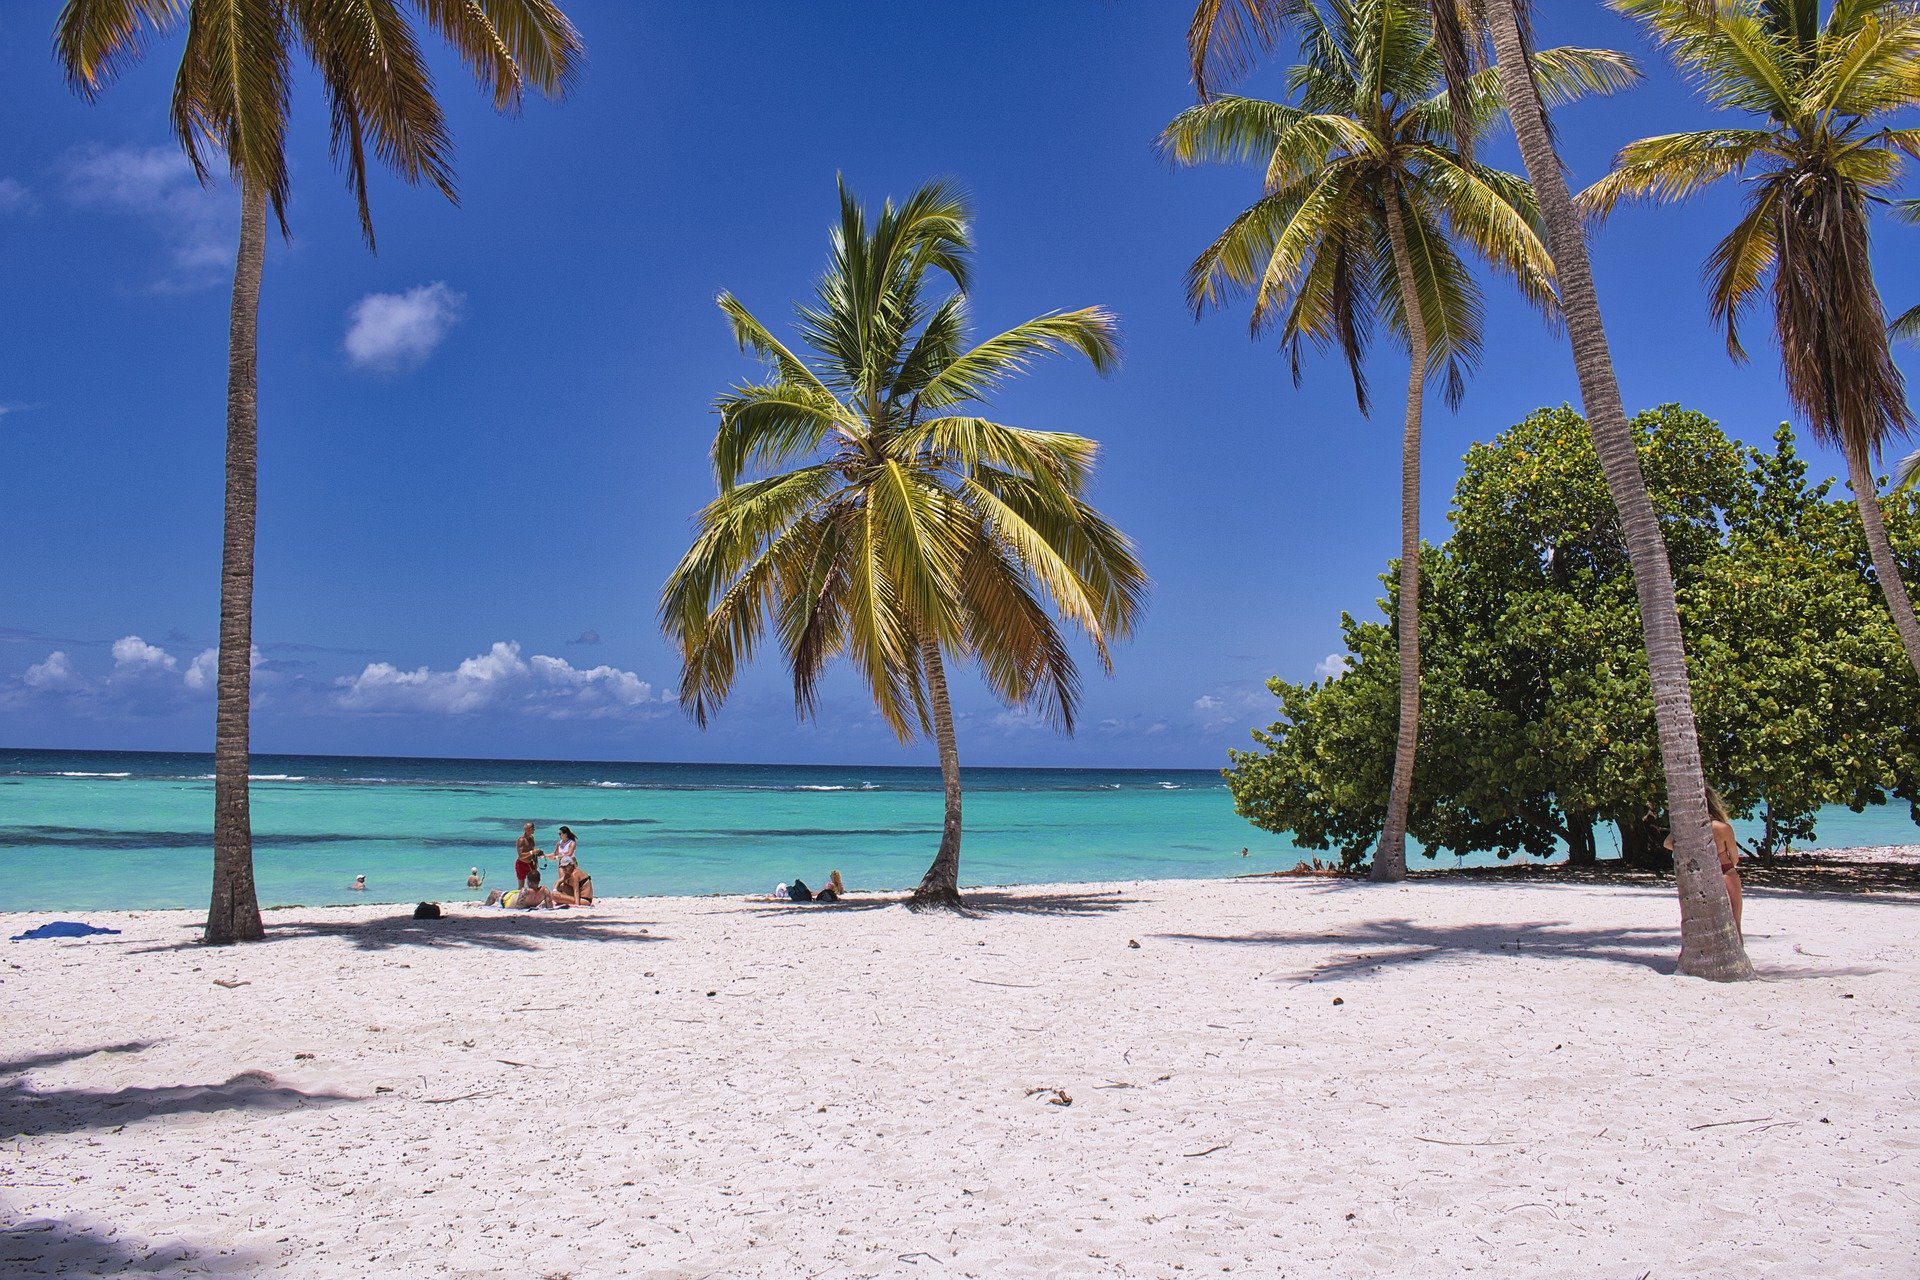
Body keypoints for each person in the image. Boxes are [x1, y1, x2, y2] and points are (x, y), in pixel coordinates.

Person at [1665, 787, 1743, 935]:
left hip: (1701, 876)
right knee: (1735, 921)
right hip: (1725, 872)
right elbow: (1735, 858)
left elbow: (1667, 843)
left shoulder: (1690, 828)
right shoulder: (1723, 828)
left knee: (1707, 925)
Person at [515, 823, 537, 889]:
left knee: (534, 883)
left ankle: (532, 897)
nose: (534, 830)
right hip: (521, 864)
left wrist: (535, 862)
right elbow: (520, 855)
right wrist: (531, 852)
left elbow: (533, 851)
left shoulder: (531, 838)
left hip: (530, 863)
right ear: (527, 830)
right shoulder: (521, 840)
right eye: (533, 828)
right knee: (521, 886)